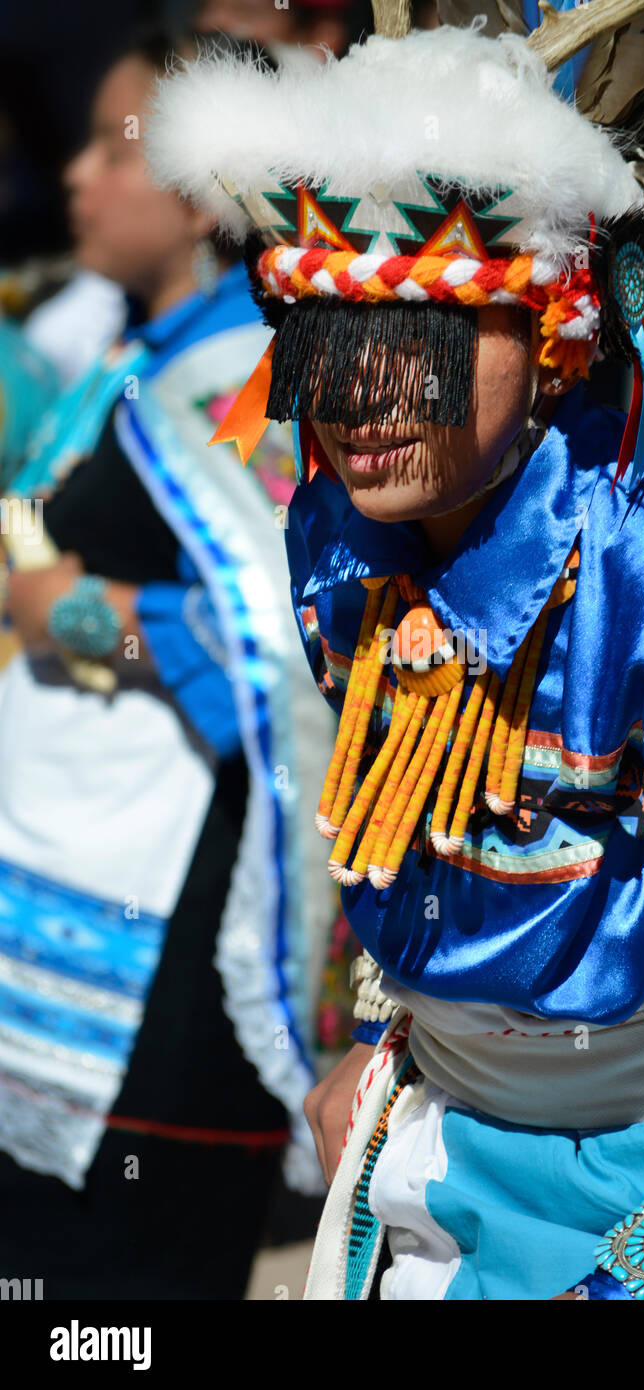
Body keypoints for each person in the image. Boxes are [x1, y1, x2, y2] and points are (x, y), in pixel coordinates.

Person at [148, 5, 644, 1301]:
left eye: (419, 343)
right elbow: (414, 814)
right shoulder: (340, 527)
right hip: (437, 1149)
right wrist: (389, 1032)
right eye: (323, 343)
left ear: (551, 343)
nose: (362, 398)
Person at [0, 33, 333, 1299]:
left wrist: (69, 619)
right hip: (66, 898)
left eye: (116, 145)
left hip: (168, 972)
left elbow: (279, 640)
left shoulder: (246, 384)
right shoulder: (138, 363)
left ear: (203, 188)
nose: (78, 176)